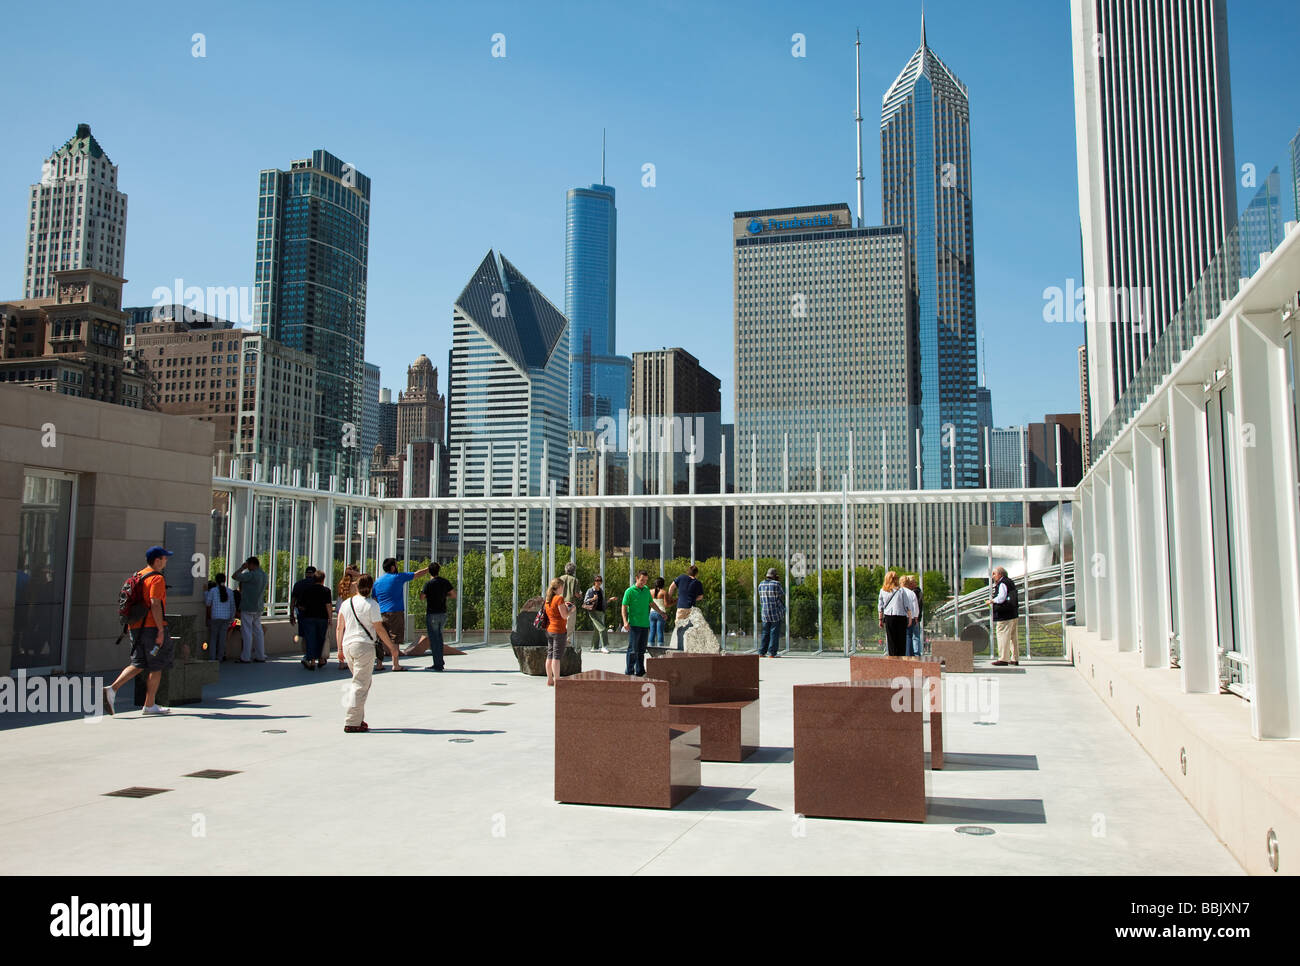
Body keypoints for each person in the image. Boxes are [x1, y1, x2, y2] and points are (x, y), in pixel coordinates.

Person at [102, 546, 174, 716]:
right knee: (157, 665)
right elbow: (155, 603)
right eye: (165, 558)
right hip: (151, 628)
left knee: (139, 663)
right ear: (157, 560)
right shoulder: (156, 578)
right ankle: (149, 705)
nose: (167, 561)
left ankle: (112, 689)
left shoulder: (138, 575)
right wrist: (160, 630)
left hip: (135, 627)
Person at [335, 573, 396, 733]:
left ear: (356, 585)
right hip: (364, 646)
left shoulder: (346, 603)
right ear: (371, 587)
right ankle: (352, 721)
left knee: (361, 682)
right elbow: (379, 628)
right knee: (360, 685)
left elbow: (339, 627)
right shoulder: (372, 605)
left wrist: (340, 649)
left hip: (348, 645)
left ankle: (358, 718)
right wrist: (391, 647)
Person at [372, 558, 429, 671]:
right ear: (393, 567)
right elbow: (417, 574)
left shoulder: (377, 581)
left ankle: (379, 663)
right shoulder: (398, 577)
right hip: (395, 612)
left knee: (380, 639)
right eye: (396, 565)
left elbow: (374, 598)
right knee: (395, 638)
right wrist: (429, 568)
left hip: (381, 613)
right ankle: (395, 664)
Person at [621, 570, 663, 676]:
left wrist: (661, 612)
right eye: (641, 580)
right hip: (634, 625)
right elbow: (624, 607)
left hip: (645, 624)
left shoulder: (646, 590)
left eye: (645, 581)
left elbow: (651, 603)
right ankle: (629, 672)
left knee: (641, 650)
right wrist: (625, 621)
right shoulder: (629, 591)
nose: (643, 582)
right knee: (633, 650)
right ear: (636, 578)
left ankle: (640, 671)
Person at [231, 556, 269, 663]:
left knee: (246, 631)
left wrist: (241, 568)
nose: (247, 566)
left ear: (252, 564)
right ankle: (260, 655)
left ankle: (245, 656)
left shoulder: (251, 575)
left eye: (247, 564)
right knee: (258, 631)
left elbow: (234, 576)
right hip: (259, 607)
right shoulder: (264, 575)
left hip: (248, 606)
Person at [420, 562, 456, 671]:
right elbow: (453, 595)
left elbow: (422, 597)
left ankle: (438, 664)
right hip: (443, 613)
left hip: (432, 614)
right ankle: (439, 661)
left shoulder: (428, 584)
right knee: (439, 638)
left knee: (434, 640)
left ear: (429, 572)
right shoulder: (445, 582)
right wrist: (445, 595)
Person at [297, 571, 334, 669]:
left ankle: (312, 661)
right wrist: (330, 618)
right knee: (320, 639)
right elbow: (328, 606)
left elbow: (300, 605)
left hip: (309, 617)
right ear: (323, 579)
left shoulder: (307, 590)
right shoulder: (326, 591)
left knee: (311, 639)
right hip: (322, 618)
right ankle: (321, 659)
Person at [543, 577, 575, 686]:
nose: (563, 590)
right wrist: (571, 609)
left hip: (549, 629)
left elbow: (554, 612)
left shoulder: (547, 600)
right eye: (563, 587)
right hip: (559, 631)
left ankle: (550, 679)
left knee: (550, 655)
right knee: (556, 657)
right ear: (559, 587)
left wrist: (565, 607)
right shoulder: (559, 599)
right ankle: (557, 680)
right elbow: (564, 616)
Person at [878, 570, 915, 657]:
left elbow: (880, 607)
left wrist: (880, 619)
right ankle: (900, 659)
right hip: (901, 617)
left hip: (889, 617)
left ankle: (892, 659)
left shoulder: (883, 591)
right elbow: (907, 606)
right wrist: (910, 618)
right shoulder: (901, 591)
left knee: (891, 640)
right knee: (901, 641)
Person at [670, 564, 705, 649]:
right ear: (696, 573)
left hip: (681, 606)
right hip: (691, 607)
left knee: (678, 627)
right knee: (691, 627)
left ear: (688, 572)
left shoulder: (681, 577)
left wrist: (670, 597)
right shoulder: (698, 583)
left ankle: (679, 647)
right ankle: (690, 645)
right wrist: (693, 599)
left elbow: (672, 587)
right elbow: (701, 597)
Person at [990, 566, 1020, 666]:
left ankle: (1003, 658)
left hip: (1004, 614)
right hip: (1013, 613)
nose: (993, 576)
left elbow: (1001, 597)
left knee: (1002, 635)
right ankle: (1014, 658)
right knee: (1013, 637)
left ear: (1000, 574)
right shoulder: (1010, 582)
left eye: (994, 574)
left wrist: (992, 601)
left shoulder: (1002, 583)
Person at [289, 565, 318, 661]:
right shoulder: (317, 584)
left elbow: (293, 601)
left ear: (306, 574)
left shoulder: (298, 584)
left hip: (301, 612)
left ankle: (307, 655)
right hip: (315, 613)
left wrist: (291, 615)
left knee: (305, 635)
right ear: (315, 574)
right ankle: (315, 655)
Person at [204, 573, 235, 662]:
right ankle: (220, 657)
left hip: (215, 617)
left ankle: (212, 658)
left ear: (216, 580)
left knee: (213, 638)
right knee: (222, 638)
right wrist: (232, 618)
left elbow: (208, 603)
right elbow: (233, 606)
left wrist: (205, 592)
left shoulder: (213, 591)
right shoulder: (229, 591)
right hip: (226, 618)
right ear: (224, 580)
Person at [335, 563, 360, 669]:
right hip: (352, 611)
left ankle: (341, 660)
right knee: (353, 636)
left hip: (342, 611)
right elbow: (365, 577)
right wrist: (355, 573)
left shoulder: (341, 583)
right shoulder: (355, 584)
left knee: (341, 633)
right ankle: (353, 659)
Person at [757, 567, 785, 658]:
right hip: (775, 612)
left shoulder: (760, 584)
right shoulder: (776, 584)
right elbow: (782, 595)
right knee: (774, 632)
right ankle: (772, 653)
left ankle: (762, 652)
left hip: (765, 612)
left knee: (765, 632)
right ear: (774, 576)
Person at [582, 574, 610, 654]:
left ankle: (594, 647)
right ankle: (604, 646)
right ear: (594, 582)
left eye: (600, 580)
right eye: (597, 580)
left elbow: (603, 602)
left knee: (597, 630)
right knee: (602, 628)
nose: (598, 582)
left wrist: (610, 600)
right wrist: (592, 599)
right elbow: (585, 601)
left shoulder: (601, 591)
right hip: (593, 612)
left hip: (600, 612)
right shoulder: (590, 590)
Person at [559, 561, 580, 650]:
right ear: (574, 570)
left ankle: (560, 639)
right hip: (570, 604)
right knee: (570, 624)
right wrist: (580, 596)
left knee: (561, 622)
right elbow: (576, 594)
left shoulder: (560, 578)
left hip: (560, 603)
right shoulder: (575, 580)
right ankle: (565, 641)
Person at [903, 574, 924, 657]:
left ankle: (914, 653)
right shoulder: (917, 592)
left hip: (912, 617)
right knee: (914, 636)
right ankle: (915, 653)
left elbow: (915, 606)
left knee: (912, 636)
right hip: (915, 616)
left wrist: (915, 617)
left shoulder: (912, 592)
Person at [648, 577, 668, 645]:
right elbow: (666, 604)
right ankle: (660, 647)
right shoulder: (664, 592)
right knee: (660, 631)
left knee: (652, 631)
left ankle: (650, 646)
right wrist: (675, 601)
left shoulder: (650, 591)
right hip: (661, 612)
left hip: (652, 612)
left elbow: (649, 602)